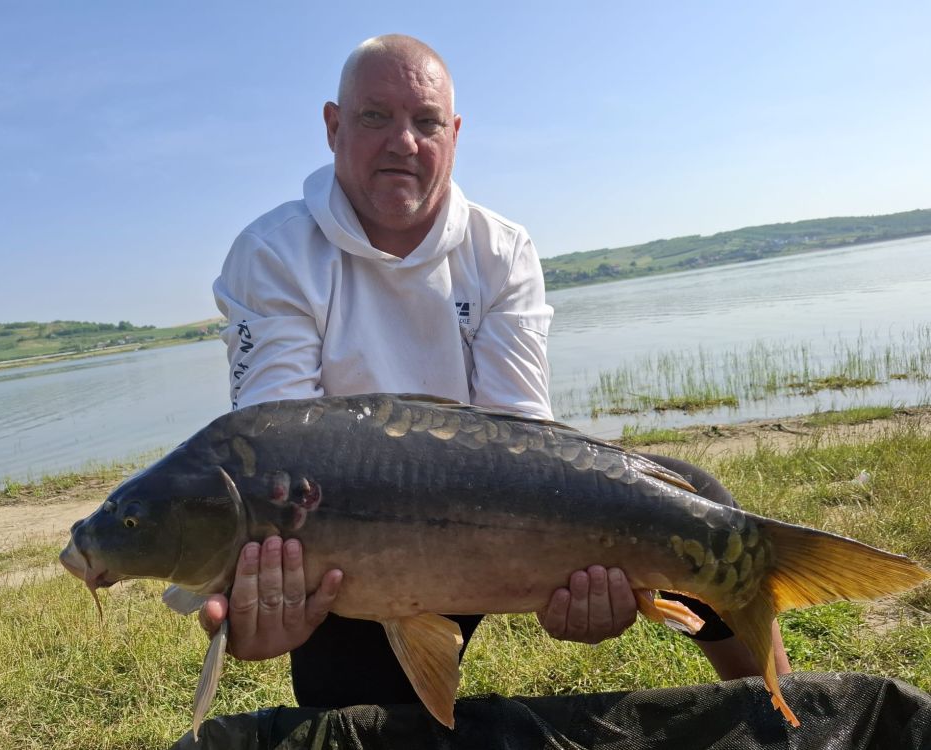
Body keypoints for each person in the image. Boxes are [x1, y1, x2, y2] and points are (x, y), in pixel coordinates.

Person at [201, 33, 790, 717]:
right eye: (374, 117)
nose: (403, 142)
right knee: (353, 709)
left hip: (502, 520)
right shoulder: (273, 253)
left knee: (700, 507)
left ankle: (782, 713)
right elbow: (273, 452)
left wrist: (575, 569)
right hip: (358, 552)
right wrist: (257, 598)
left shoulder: (500, 248)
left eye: (426, 122)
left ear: (453, 135)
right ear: (334, 127)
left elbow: (524, 436)